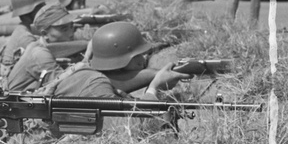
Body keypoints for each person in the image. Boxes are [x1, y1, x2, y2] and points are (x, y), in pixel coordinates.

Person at [47, 22, 192, 99]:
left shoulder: (86, 72)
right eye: (137, 56)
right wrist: (154, 87)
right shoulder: (97, 85)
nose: (142, 60)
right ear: (120, 60)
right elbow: (128, 126)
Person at [7, 3, 76, 92]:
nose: (71, 33)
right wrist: (84, 63)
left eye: (71, 26)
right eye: (64, 29)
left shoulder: (45, 47)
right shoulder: (39, 54)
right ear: (44, 34)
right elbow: (68, 85)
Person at [0, 0, 46, 89]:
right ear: (28, 13)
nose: (44, 12)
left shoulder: (23, 30)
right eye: (40, 9)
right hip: (11, 88)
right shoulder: (25, 37)